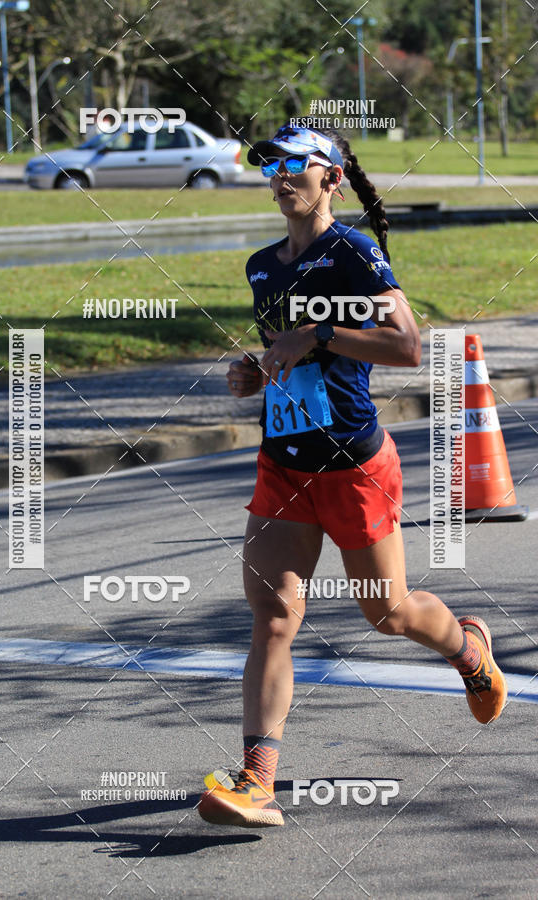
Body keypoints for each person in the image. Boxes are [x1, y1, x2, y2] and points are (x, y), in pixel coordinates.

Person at [198, 125, 507, 829]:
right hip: (283, 463)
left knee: (388, 613)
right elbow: (293, 358)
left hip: (353, 466)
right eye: (269, 168)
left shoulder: (354, 254)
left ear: (330, 178)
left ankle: (469, 650)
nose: (278, 178)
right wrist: (257, 370)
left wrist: (320, 334)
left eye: (292, 167)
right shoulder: (262, 266)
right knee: (274, 617)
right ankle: (257, 780)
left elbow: (405, 345)